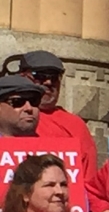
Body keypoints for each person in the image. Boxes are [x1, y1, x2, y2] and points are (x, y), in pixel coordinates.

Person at [7, 51, 99, 184]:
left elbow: (90, 182)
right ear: (22, 76)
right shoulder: (7, 113)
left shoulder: (74, 125)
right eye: (39, 76)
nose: (48, 82)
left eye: (54, 77)